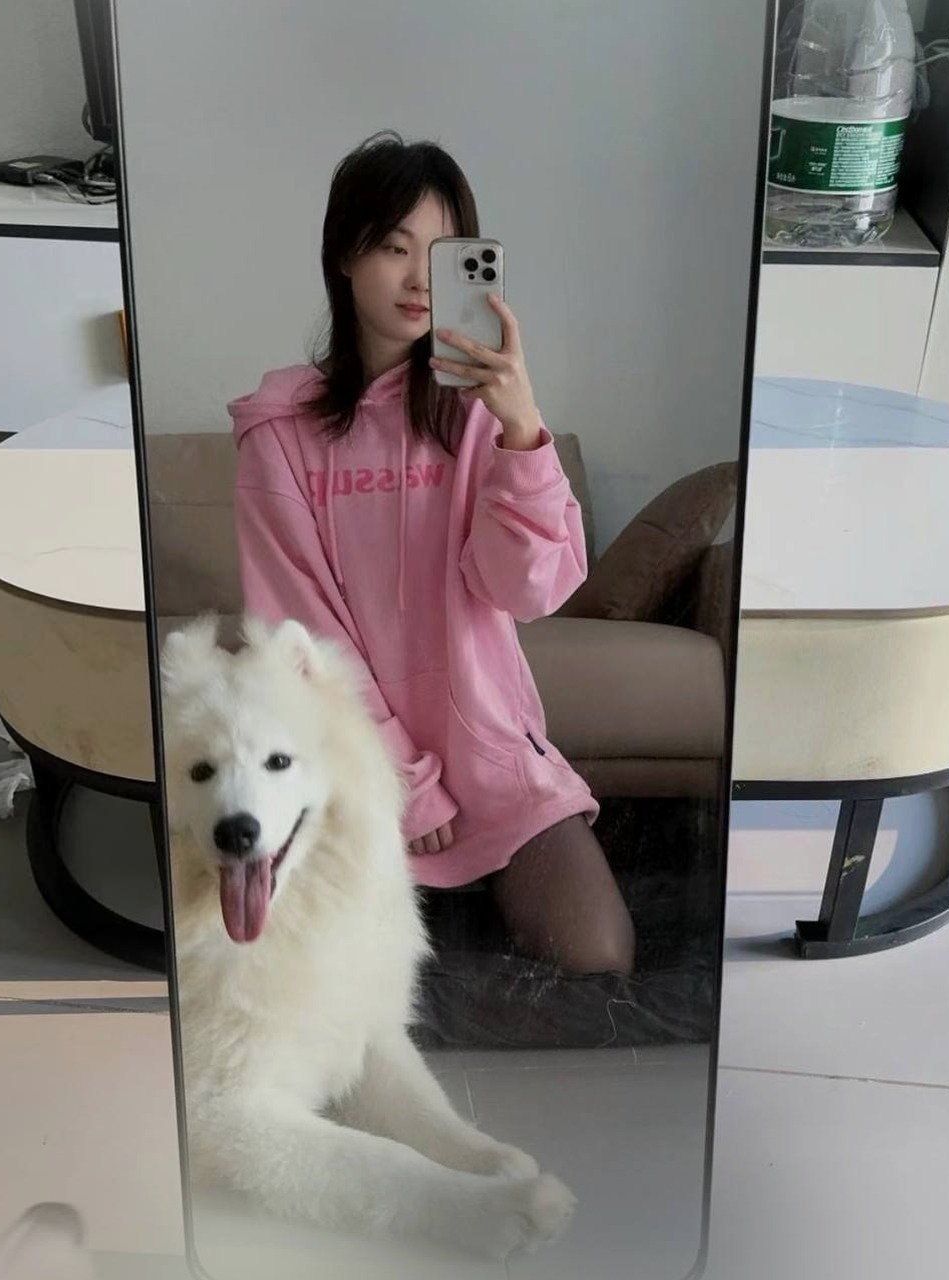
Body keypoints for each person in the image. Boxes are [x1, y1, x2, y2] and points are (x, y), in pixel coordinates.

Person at [229, 130, 635, 976]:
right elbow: (300, 637)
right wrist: (403, 785)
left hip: (492, 756)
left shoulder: (482, 414)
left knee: (600, 957)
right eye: (393, 247)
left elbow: (529, 590)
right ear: (345, 256)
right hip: (354, 769)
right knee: (327, 986)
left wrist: (522, 431)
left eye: (442, 254)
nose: (420, 279)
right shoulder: (281, 435)